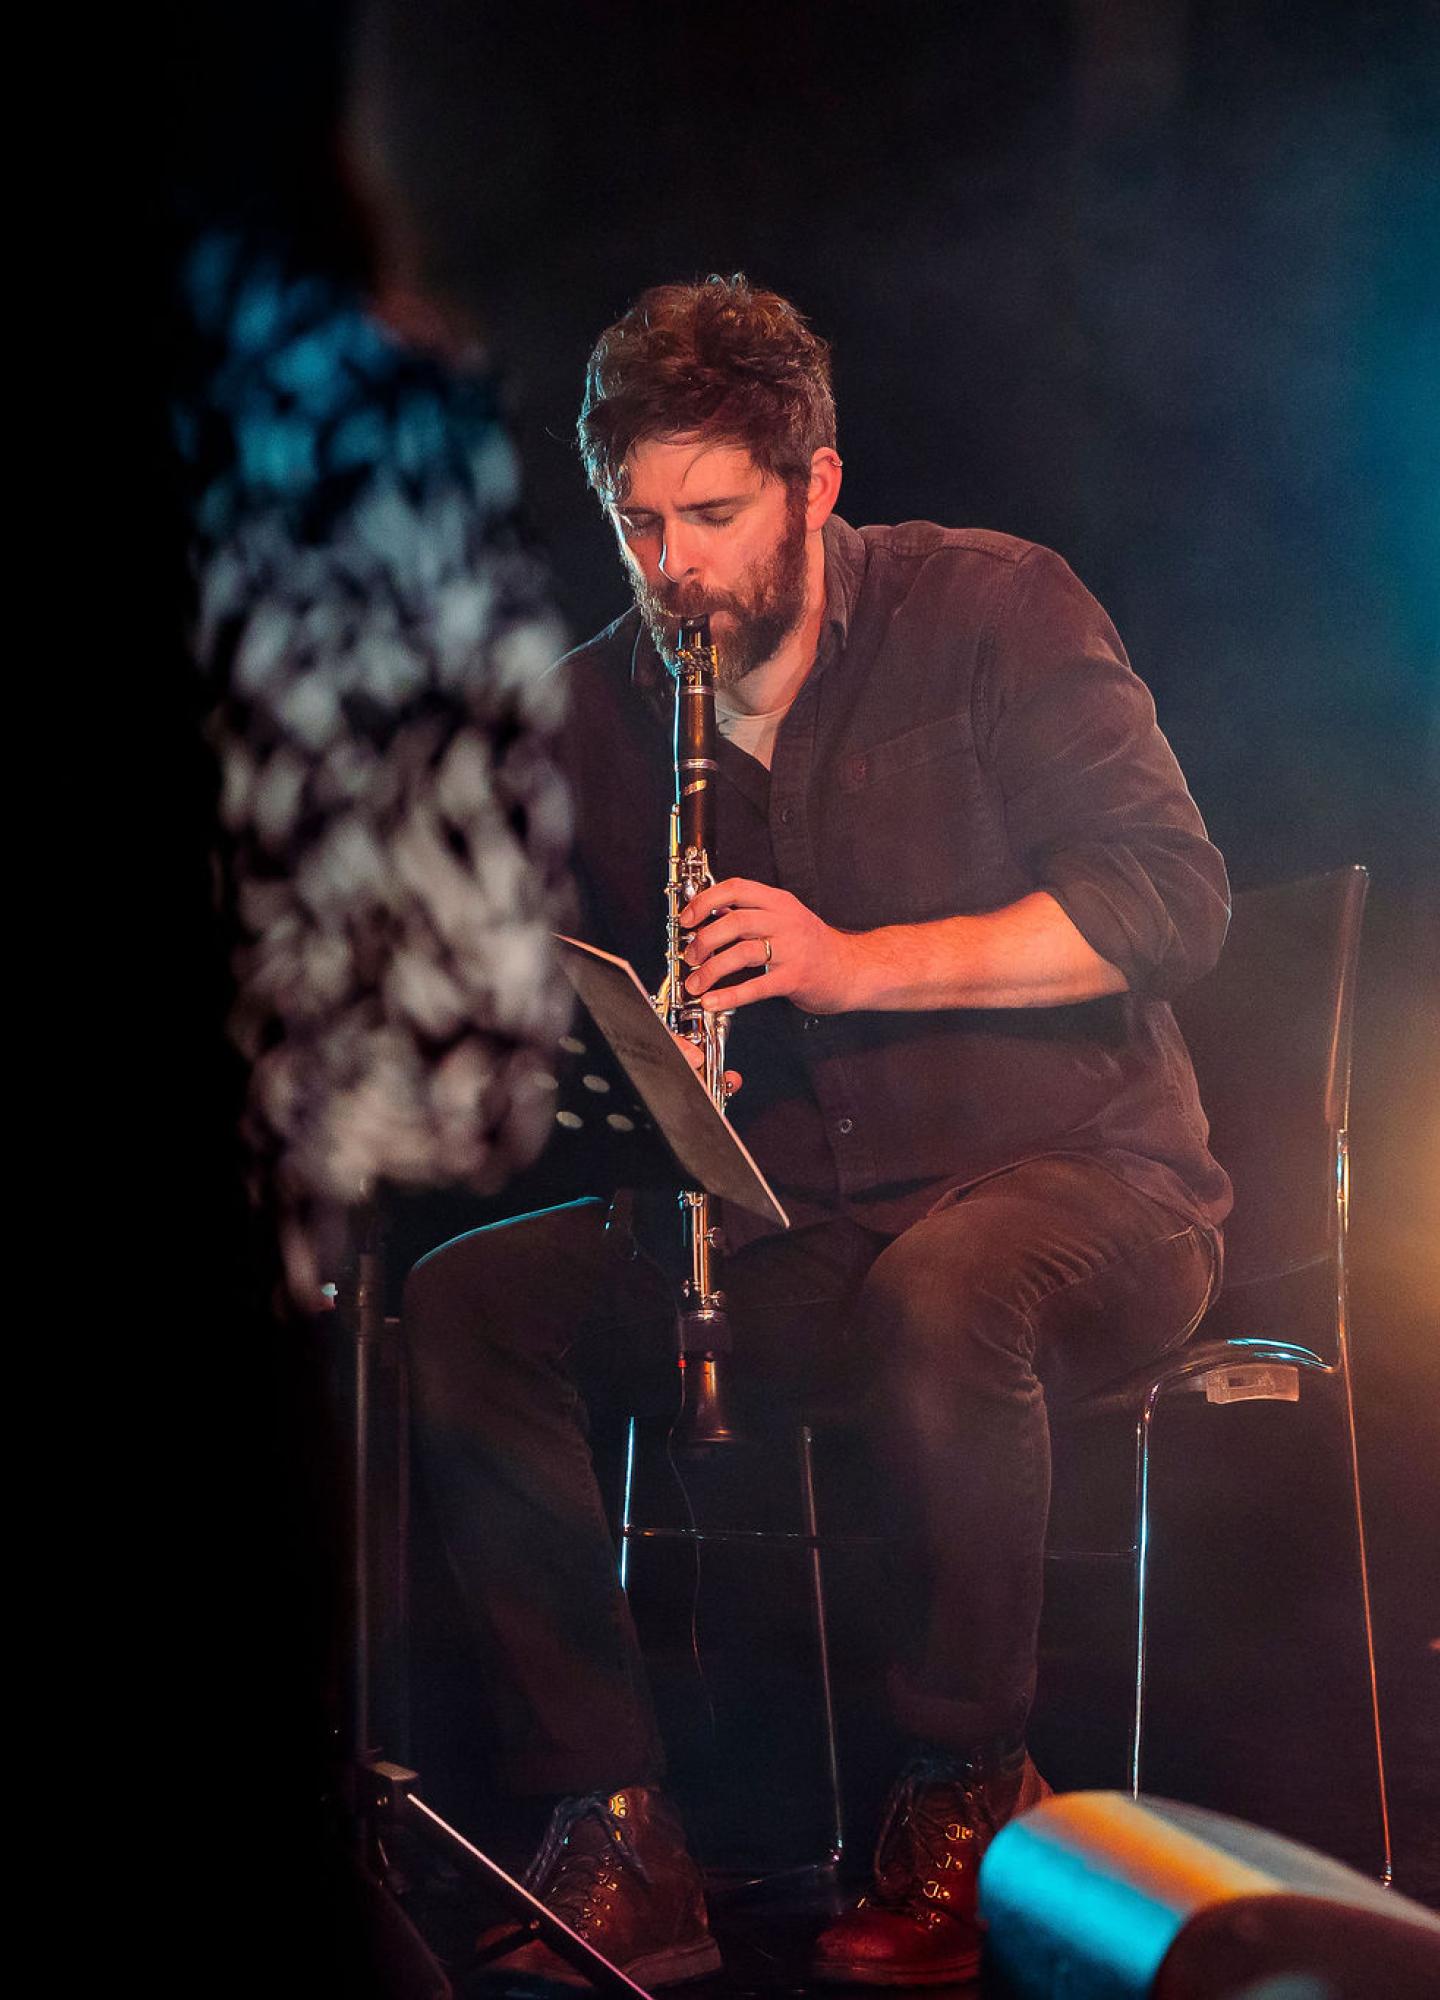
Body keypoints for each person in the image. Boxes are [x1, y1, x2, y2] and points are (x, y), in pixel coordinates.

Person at [405, 274, 1232, 1987]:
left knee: (948, 1289)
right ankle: (618, 1828)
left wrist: (853, 965)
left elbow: (1172, 903)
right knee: (472, 1303)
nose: (672, 569)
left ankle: (968, 1793)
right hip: (799, 1224)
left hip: (1085, 1185)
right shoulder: (595, 707)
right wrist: (629, 1057)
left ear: (816, 485)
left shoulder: (994, 609)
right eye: (639, 524)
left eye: (713, 517)